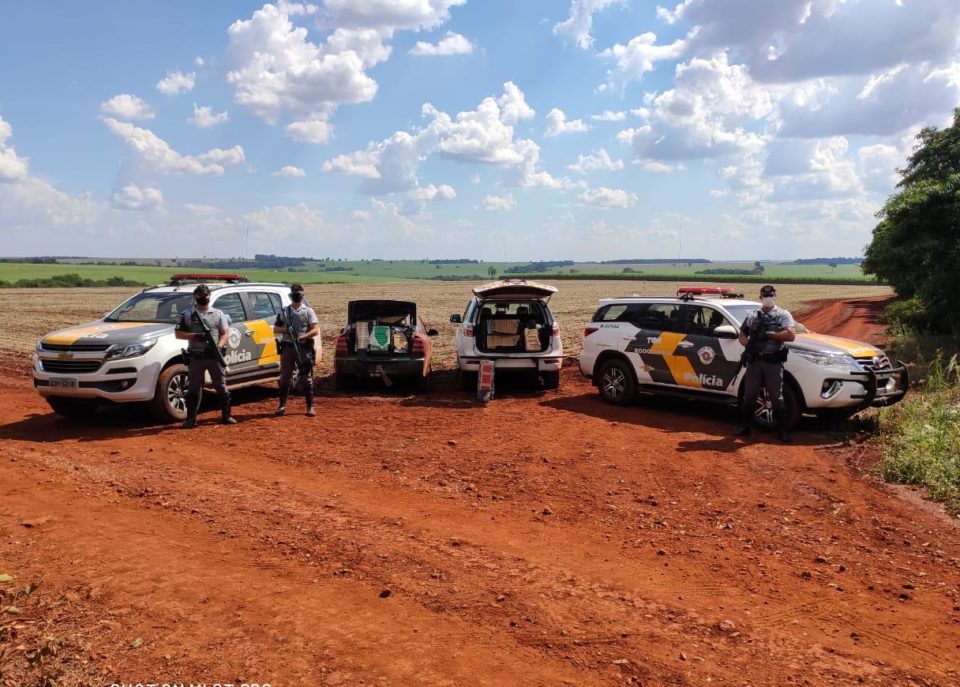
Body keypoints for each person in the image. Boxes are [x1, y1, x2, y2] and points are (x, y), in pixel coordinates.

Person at [734, 285, 797, 442]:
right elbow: (742, 334)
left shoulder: (783, 314)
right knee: (749, 396)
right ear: (760, 297)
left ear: (775, 296)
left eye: (771, 295)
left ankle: (782, 431)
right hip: (755, 361)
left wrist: (772, 335)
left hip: (773, 362)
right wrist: (749, 345)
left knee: (777, 397)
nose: (768, 297)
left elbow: (790, 335)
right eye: (765, 295)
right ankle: (746, 426)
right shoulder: (753, 315)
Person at [174, 284, 236, 429]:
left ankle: (226, 416)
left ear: (209, 296)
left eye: (206, 295)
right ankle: (191, 419)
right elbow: (178, 334)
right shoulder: (188, 314)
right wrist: (196, 336)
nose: (203, 297)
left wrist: (219, 347)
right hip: (196, 356)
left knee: (221, 386)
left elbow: (225, 333)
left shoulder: (218, 314)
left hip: (214, 356)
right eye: (200, 295)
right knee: (193, 388)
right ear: (195, 296)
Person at [273, 283, 320, 417]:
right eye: (294, 294)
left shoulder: (308, 311)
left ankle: (310, 406)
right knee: (285, 378)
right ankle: (282, 405)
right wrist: (287, 330)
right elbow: (275, 329)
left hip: (303, 347)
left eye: (298, 294)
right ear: (290, 295)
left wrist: (302, 337)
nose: (296, 296)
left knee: (306, 377)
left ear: (302, 295)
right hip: (287, 347)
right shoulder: (284, 311)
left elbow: (315, 330)